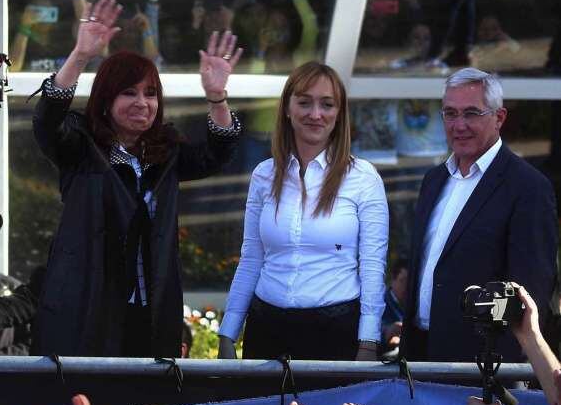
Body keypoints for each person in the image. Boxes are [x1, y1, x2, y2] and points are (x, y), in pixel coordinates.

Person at [31, 0, 242, 357]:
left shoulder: (167, 152)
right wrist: (80, 57)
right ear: (105, 101)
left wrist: (217, 98)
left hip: (151, 315)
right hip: (87, 312)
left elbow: (217, 154)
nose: (142, 103)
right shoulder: (81, 147)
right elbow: (47, 121)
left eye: (150, 94)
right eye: (128, 93)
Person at [218, 61, 389, 362]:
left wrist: (368, 342)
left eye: (326, 104)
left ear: (339, 113)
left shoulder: (363, 178)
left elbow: (373, 266)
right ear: (287, 108)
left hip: (335, 332)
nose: (315, 114)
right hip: (266, 331)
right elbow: (251, 258)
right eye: (304, 102)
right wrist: (228, 333)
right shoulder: (263, 175)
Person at [401, 68, 557, 363]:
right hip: (420, 357)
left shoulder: (528, 188)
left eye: (471, 113)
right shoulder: (434, 180)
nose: (459, 125)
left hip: (482, 367)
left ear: (499, 118)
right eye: (450, 113)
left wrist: (502, 366)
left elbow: (531, 292)